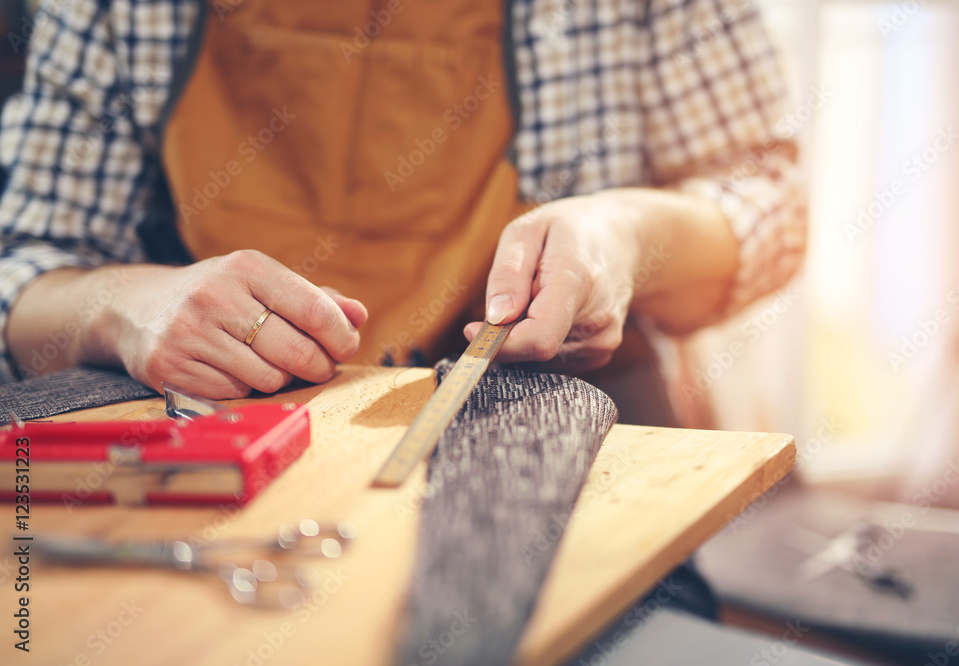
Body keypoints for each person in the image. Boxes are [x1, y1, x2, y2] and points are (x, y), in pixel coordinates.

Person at [0, 0, 805, 422]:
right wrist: (123, 307)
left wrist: (625, 237)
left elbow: (768, 195)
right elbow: (25, 272)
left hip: (568, 422)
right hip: (210, 436)